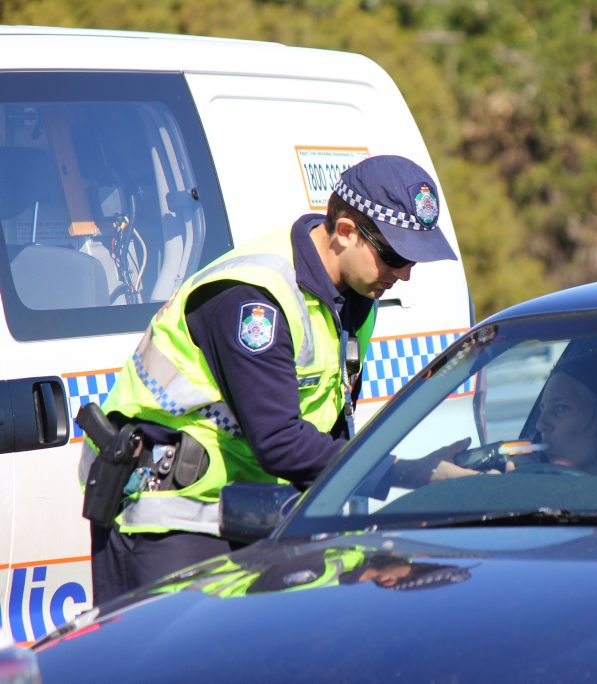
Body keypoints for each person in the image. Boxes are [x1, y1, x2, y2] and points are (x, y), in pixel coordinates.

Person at [81, 154, 461, 605]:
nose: (404, 273)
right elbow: (280, 441)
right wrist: (401, 470)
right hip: (169, 521)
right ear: (344, 232)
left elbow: (331, 420)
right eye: (395, 256)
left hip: (254, 516)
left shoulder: (354, 295)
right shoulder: (254, 299)